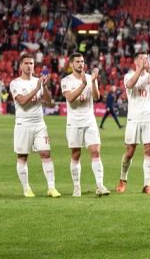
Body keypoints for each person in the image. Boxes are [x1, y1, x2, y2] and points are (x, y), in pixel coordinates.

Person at [10, 54, 61, 198]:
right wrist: (37, 87)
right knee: (22, 156)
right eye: (26, 63)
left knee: (46, 154)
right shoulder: (16, 83)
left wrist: (44, 86)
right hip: (23, 124)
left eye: (31, 63)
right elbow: (22, 102)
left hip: (39, 124)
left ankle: (51, 188)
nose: (29, 66)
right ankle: (26, 188)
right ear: (21, 66)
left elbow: (49, 102)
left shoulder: (39, 81)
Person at [61, 53, 110, 197]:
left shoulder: (89, 78)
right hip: (74, 122)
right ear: (71, 64)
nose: (80, 64)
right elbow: (70, 98)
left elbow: (96, 97)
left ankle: (100, 185)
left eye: (82, 61)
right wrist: (83, 84)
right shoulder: (66, 81)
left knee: (95, 151)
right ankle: (77, 187)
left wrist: (93, 82)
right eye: (77, 61)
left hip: (89, 120)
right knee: (76, 154)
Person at [116, 52, 150, 195]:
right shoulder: (128, 75)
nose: (144, 60)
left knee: (148, 150)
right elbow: (129, 85)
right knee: (130, 152)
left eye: (146, 58)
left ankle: (147, 185)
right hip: (134, 118)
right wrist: (141, 70)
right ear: (135, 61)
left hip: (149, 118)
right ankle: (123, 179)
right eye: (141, 58)